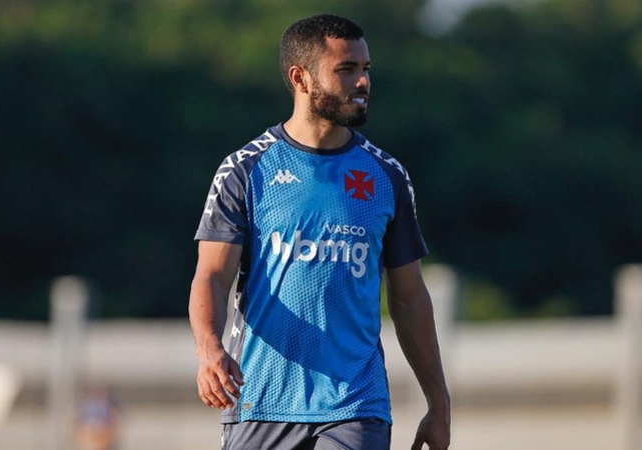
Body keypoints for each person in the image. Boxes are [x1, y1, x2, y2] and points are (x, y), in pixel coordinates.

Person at [189, 14, 451, 450]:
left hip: (356, 404)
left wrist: (438, 403)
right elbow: (211, 276)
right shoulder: (245, 170)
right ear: (301, 78)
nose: (363, 82)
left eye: (365, 69)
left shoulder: (386, 175)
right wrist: (209, 349)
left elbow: (409, 298)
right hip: (261, 399)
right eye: (346, 70)